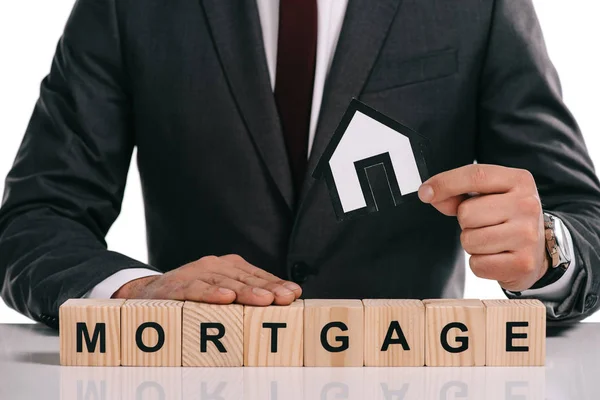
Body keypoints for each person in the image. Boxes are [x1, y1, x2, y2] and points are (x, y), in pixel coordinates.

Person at [1, 0, 599, 329]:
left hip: (412, 378)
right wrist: (136, 293)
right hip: (199, 379)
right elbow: (36, 220)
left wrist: (548, 251)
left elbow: (582, 215)